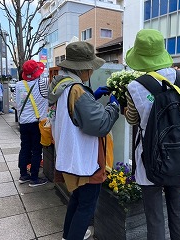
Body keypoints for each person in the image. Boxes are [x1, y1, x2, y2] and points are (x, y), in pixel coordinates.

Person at [48, 41, 119, 240]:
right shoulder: (77, 90)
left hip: (68, 155)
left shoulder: (60, 85)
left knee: (77, 200)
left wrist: (92, 98)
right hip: (84, 159)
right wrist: (114, 107)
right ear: (84, 69)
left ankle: (67, 235)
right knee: (86, 206)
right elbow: (100, 124)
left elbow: (76, 115)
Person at [124, 29, 180, 240]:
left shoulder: (135, 86)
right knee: (178, 213)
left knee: (154, 217)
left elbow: (132, 120)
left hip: (149, 157)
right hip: (178, 153)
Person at [16, 60, 49, 187]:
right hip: (36, 123)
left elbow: (17, 103)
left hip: (23, 123)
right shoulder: (43, 83)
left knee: (24, 148)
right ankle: (34, 178)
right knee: (36, 150)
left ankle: (23, 175)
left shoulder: (19, 85)